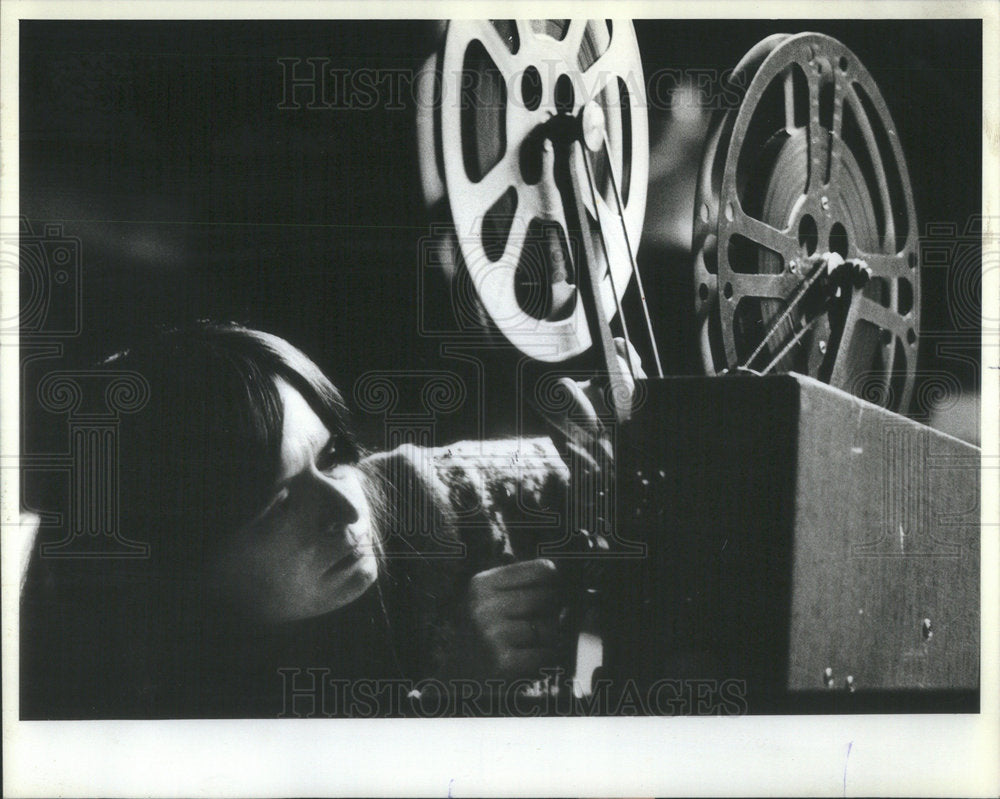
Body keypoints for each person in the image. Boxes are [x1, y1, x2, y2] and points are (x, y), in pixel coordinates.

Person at [21, 321, 628, 718]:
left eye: (333, 457)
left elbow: (640, 479)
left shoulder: (418, 492)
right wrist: (458, 700)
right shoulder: (140, 714)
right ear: (174, 571)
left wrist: (623, 454)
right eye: (277, 506)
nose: (346, 507)